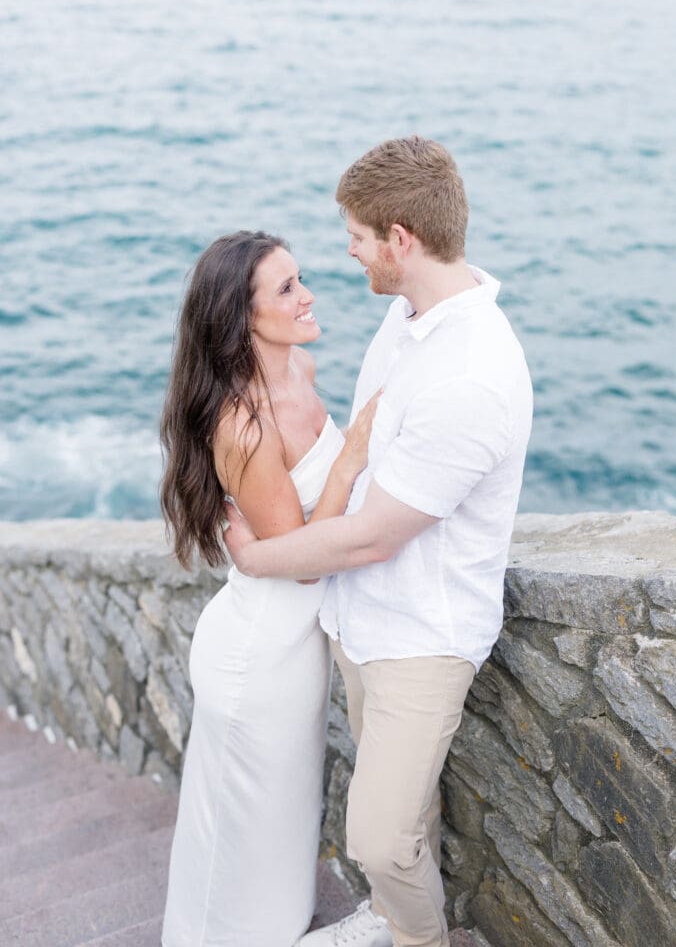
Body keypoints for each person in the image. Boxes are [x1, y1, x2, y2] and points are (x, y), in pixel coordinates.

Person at [224, 137, 534, 947]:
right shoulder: (408, 318)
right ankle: (394, 921)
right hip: (361, 623)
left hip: (418, 639)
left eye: (357, 238)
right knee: (406, 818)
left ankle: (419, 940)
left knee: (376, 836)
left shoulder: (470, 374)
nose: (348, 253)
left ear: (400, 238)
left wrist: (257, 557)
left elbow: (370, 539)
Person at [159, 230, 380, 947]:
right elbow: (304, 557)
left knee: (279, 816)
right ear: (239, 317)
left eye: (300, 278)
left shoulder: (302, 369)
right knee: (244, 825)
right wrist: (350, 458)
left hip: (296, 643)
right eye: (284, 289)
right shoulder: (242, 424)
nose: (306, 295)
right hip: (260, 654)